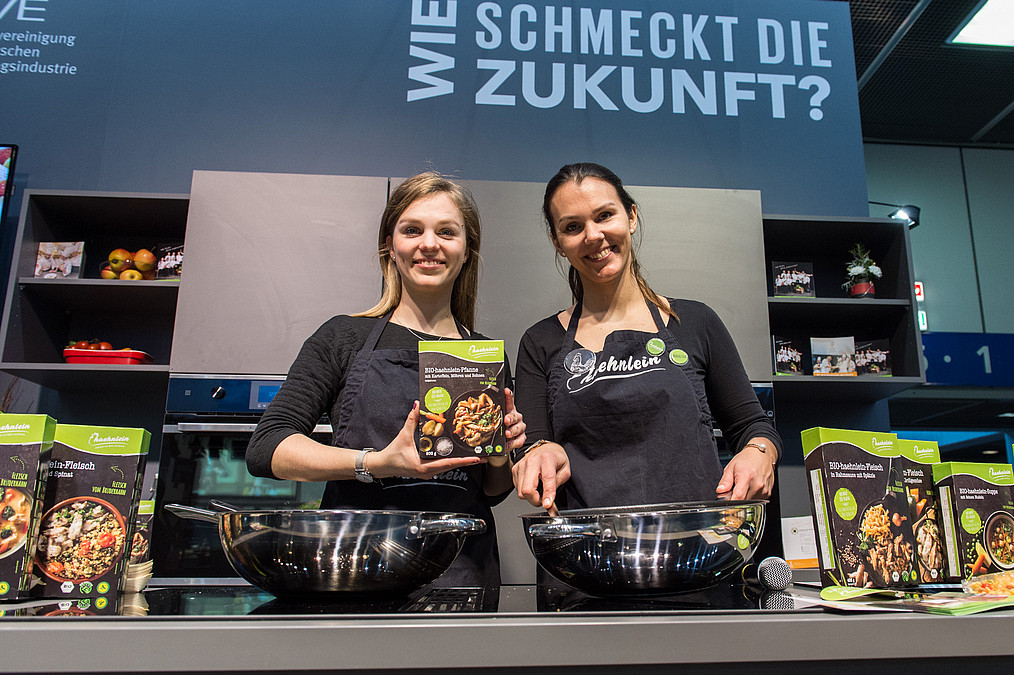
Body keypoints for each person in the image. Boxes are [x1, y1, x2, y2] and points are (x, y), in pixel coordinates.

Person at [247, 172, 526, 587]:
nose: (429, 244)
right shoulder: (344, 337)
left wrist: (500, 448)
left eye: (446, 232)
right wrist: (376, 463)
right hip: (358, 567)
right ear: (390, 247)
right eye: (412, 230)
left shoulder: (485, 354)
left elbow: (492, 491)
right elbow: (267, 448)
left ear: (467, 250)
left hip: (461, 572)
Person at [512, 163, 781, 512]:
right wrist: (539, 454)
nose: (592, 235)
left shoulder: (695, 322)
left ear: (631, 216)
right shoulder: (539, 342)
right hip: (589, 541)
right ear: (558, 243)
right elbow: (533, 445)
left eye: (605, 215)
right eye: (573, 227)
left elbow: (753, 426)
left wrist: (758, 452)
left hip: (694, 536)